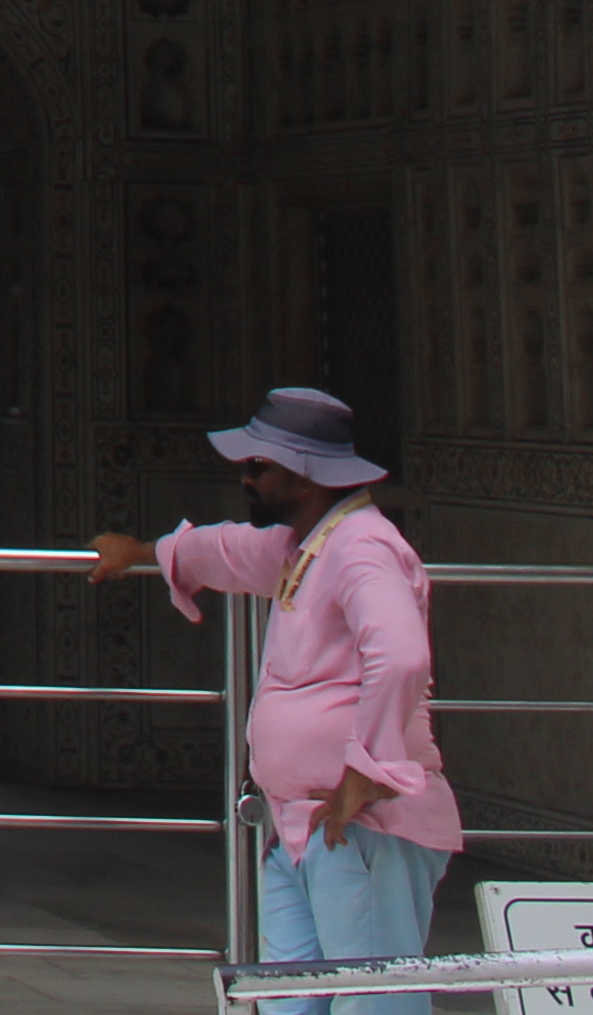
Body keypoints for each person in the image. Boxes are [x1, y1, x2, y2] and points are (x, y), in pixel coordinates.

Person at [85, 386, 457, 973]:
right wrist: (140, 551)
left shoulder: (362, 548)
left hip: (359, 825)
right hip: (302, 823)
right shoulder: (306, 545)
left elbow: (402, 655)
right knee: (288, 996)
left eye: (259, 466)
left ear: (305, 479)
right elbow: (227, 550)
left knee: (372, 998)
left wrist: (367, 770)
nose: (245, 477)